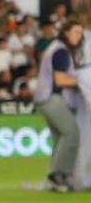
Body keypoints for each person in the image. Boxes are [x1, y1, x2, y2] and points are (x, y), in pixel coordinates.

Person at [32, 17, 83, 191]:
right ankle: (58, 176)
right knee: (72, 134)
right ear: (66, 33)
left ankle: (54, 178)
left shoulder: (56, 47)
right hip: (51, 97)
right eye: (76, 32)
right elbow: (60, 79)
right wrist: (82, 82)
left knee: (60, 137)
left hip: (43, 97)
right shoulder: (61, 50)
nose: (79, 36)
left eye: (81, 33)